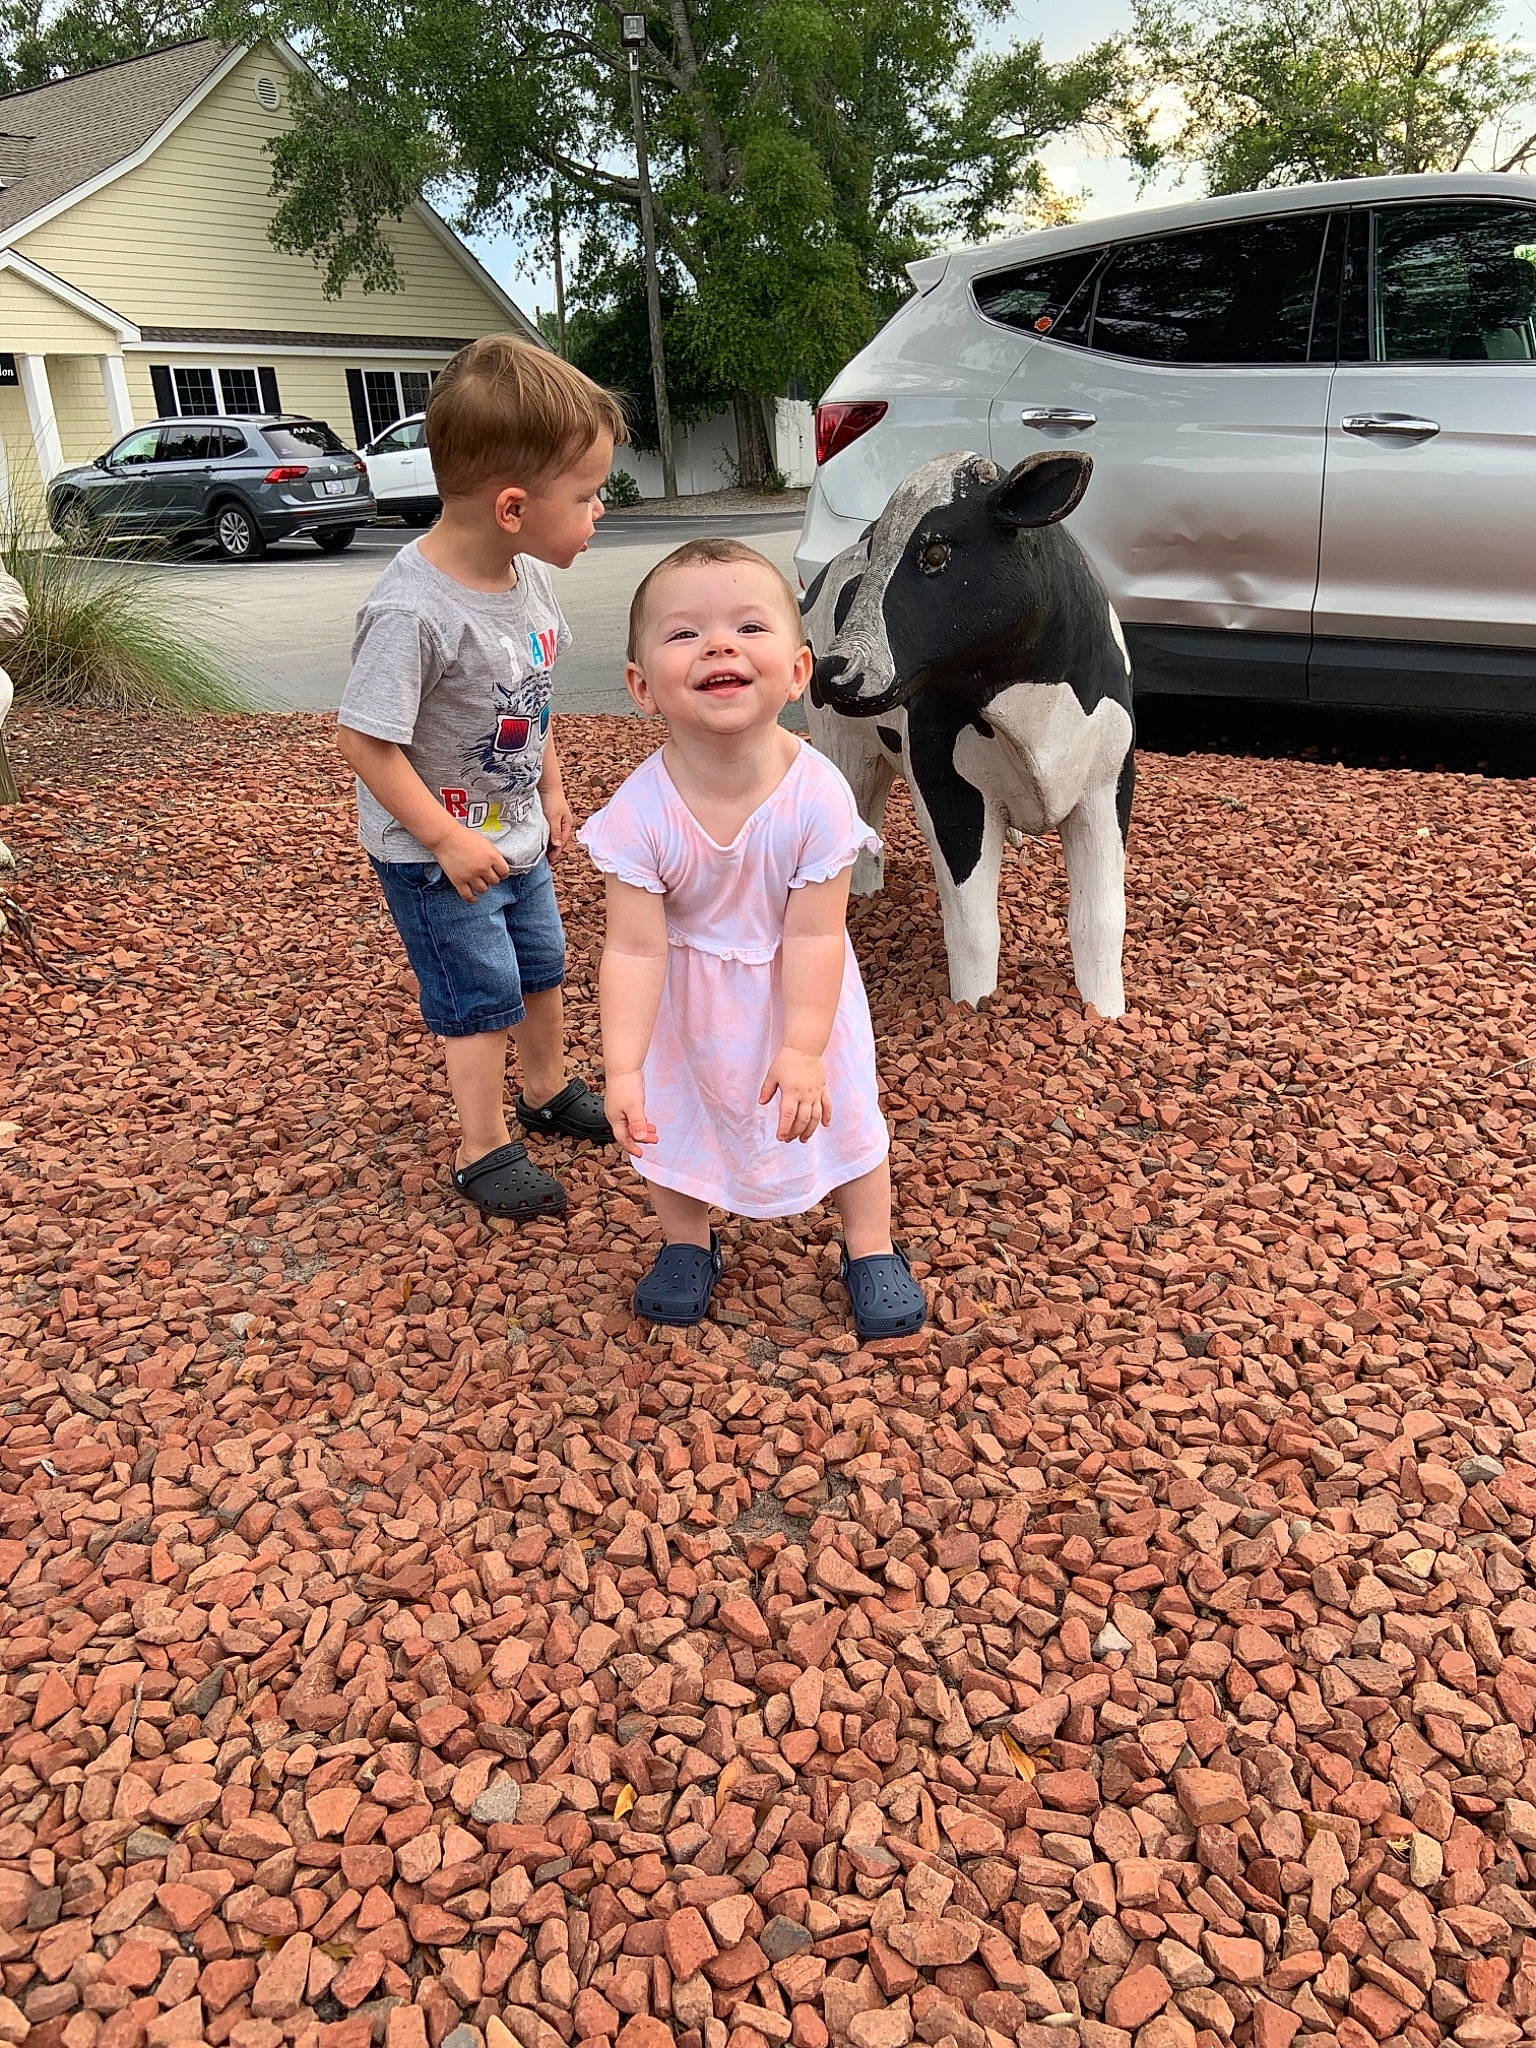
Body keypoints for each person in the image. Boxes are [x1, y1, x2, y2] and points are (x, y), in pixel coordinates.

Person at [577, 538, 927, 1341]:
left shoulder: (818, 796)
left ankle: (870, 1243)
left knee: (848, 1116)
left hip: (801, 996)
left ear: (798, 672)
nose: (719, 646)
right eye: (684, 633)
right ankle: (685, 1240)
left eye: (748, 626)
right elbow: (632, 949)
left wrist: (803, 1048)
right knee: (672, 1122)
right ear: (641, 686)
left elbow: (815, 934)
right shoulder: (639, 813)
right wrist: (623, 1067)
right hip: (688, 1005)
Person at [338, 336, 623, 1221]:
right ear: (512, 507)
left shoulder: (527, 578)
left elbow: (531, 699)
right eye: (587, 495)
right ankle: (481, 1144)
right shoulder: (412, 611)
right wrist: (445, 839)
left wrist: (552, 787)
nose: (600, 509)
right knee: (478, 995)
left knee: (541, 965)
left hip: (515, 831)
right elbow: (364, 743)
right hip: (437, 855)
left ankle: (545, 1089)